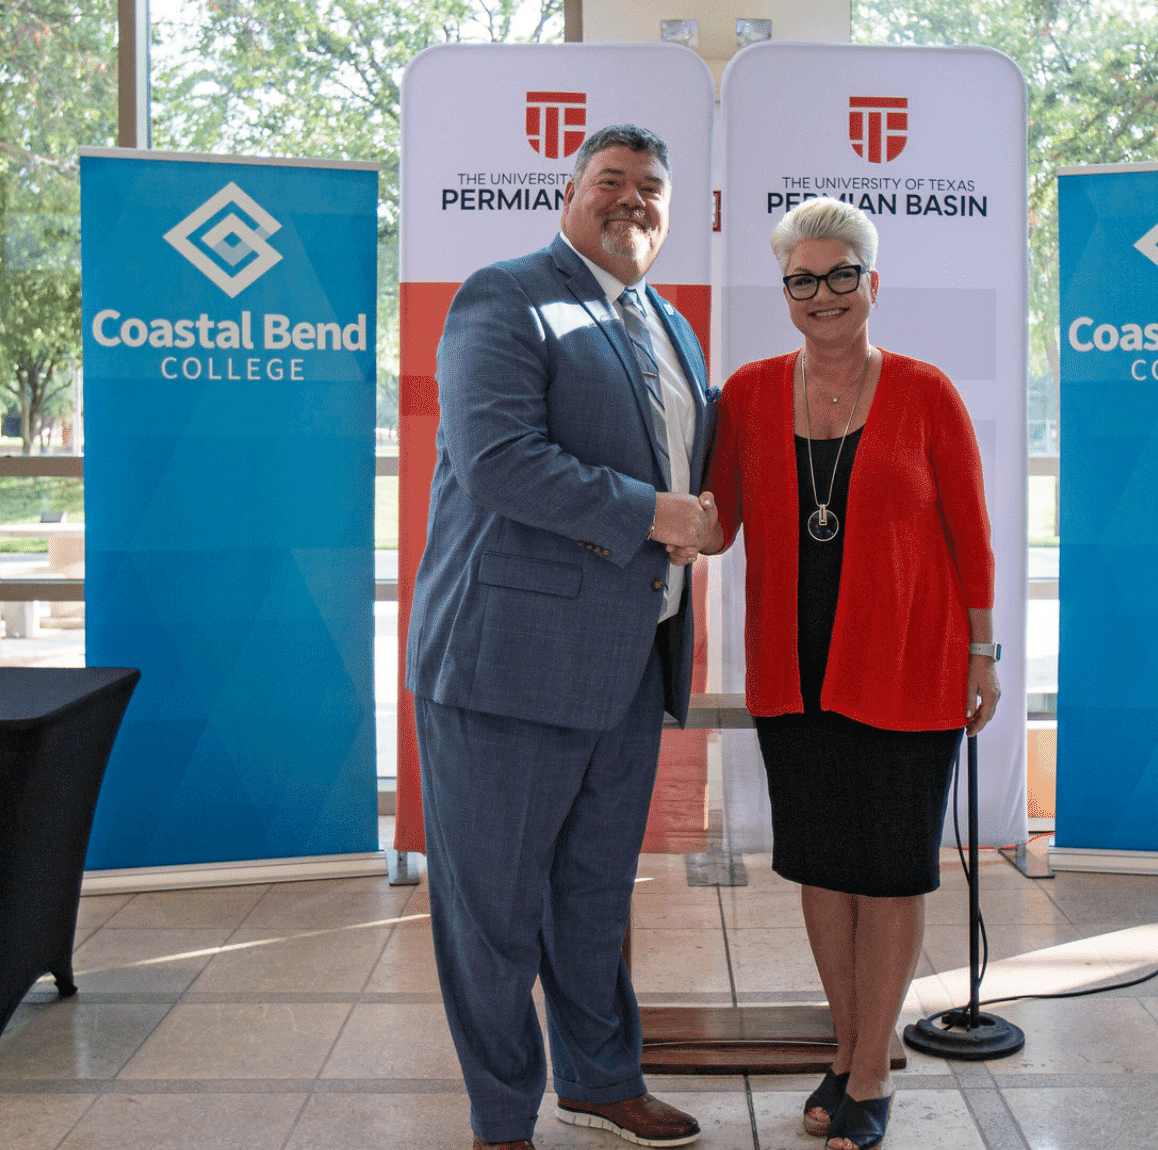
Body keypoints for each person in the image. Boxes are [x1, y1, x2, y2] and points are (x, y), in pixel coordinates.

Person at [405, 123, 715, 1150]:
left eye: (650, 189)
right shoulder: (504, 296)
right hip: (505, 664)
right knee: (491, 914)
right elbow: (495, 459)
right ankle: (502, 1118)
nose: (631, 201)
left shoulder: (670, 324)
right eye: (610, 182)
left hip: (626, 664)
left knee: (590, 899)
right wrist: (651, 514)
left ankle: (599, 1078)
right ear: (569, 193)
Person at [698, 198, 998, 1150]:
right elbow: (715, 523)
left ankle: (872, 1072)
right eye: (801, 279)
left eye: (840, 276)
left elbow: (972, 534)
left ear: (873, 284)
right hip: (795, 678)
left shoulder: (925, 391)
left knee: (891, 873)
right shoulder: (745, 394)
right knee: (824, 869)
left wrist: (983, 651)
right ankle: (846, 1046)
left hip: (910, 670)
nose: (821, 295)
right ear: (782, 290)